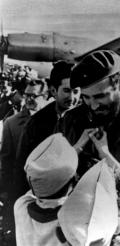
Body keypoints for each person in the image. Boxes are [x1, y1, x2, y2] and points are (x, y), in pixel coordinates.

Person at [14, 132, 118, 246]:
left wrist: (76, 148)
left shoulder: (21, 206)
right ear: (75, 178)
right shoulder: (79, 224)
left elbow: (43, 177)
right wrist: (105, 152)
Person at [14, 60, 81, 197]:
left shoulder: (84, 119)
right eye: (67, 91)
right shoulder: (36, 123)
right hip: (43, 199)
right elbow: (23, 167)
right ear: (53, 91)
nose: (72, 97)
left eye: (76, 91)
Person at [0, 79, 49, 246]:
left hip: (48, 191)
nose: (29, 99)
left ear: (45, 96)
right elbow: (6, 160)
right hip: (19, 190)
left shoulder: (54, 122)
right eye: (27, 95)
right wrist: (5, 190)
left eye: (34, 96)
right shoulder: (11, 123)